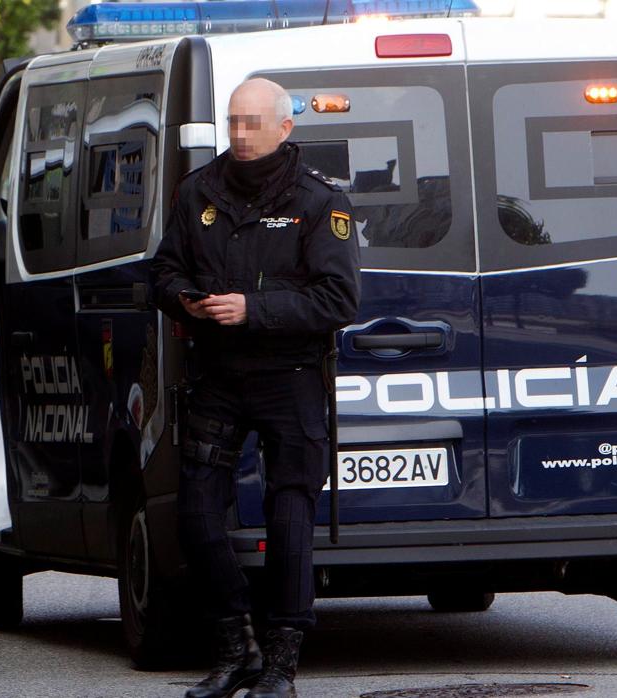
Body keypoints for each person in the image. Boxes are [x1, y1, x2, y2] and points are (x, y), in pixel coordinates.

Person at [151, 78, 360, 698]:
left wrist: (254, 309)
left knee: (290, 519)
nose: (240, 135)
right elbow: (163, 271)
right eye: (233, 122)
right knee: (195, 514)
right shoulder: (199, 191)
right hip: (216, 375)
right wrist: (186, 301)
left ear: (284, 127)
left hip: (289, 377)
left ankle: (280, 665)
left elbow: (339, 299)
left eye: (253, 123)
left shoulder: (319, 201)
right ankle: (233, 645)